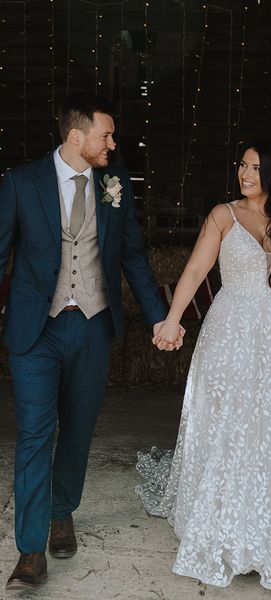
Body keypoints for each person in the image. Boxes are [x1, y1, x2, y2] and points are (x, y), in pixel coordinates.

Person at [136, 139, 271, 590]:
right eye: (241, 166)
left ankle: (266, 524)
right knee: (230, 421)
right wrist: (171, 321)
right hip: (230, 332)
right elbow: (194, 270)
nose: (244, 174)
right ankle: (228, 527)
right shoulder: (222, 214)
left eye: (254, 167)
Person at [0, 92, 178, 591]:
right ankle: (30, 551)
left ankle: (62, 512)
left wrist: (161, 318)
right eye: (106, 135)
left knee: (77, 429)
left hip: (93, 326)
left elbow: (135, 259)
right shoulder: (20, 183)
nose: (113, 143)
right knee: (35, 435)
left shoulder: (114, 184)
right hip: (36, 330)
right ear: (76, 136)